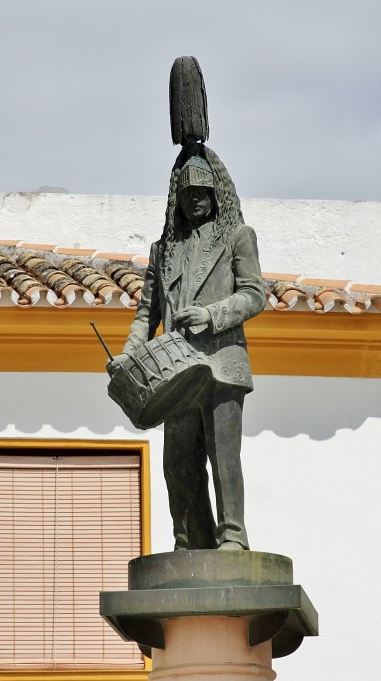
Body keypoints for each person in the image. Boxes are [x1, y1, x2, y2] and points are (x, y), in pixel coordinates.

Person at [110, 144, 265, 551]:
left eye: (202, 191)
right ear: (176, 197)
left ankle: (233, 536)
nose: (195, 198)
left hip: (222, 364)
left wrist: (211, 315)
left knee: (223, 458)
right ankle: (192, 541)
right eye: (187, 192)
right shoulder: (162, 251)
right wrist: (128, 355)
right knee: (177, 463)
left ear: (217, 194)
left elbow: (254, 295)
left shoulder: (238, 236)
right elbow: (147, 313)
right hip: (176, 368)